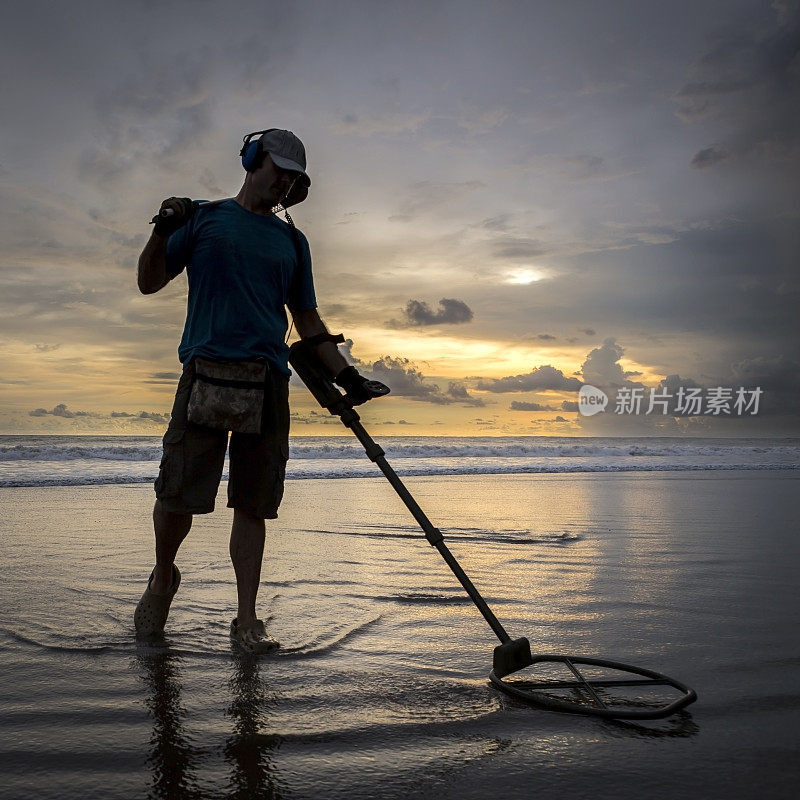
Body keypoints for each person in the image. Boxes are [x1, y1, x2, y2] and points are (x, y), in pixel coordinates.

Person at [134, 129, 375, 653]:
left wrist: (347, 376)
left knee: (253, 504)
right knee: (177, 498)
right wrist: (161, 230)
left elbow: (308, 321)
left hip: (266, 383)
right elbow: (148, 282)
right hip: (204, 375)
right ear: (252, 160)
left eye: (293, 177)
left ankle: (246, 620)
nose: (284, 182)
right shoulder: (202, 218)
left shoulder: (292, 242)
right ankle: (162, 576)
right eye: (279, 169)